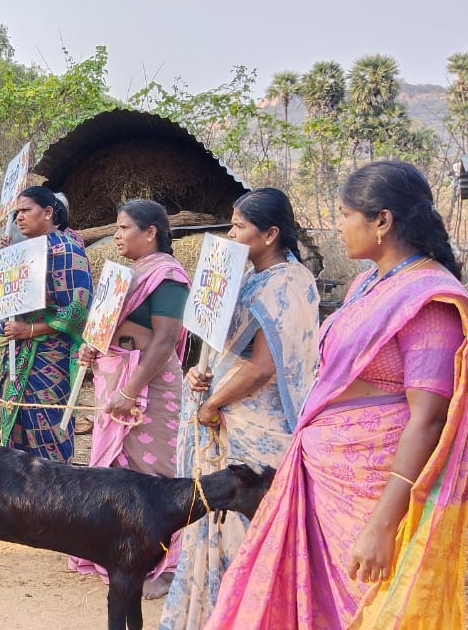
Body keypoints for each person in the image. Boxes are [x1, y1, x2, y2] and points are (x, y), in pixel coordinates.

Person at [206, 161, 468, 629]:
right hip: (323, 474)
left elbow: (428, 419)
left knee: (363, 609)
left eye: (344, 213)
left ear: (382, 221)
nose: (337, 223)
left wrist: (382, 525)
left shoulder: (431, 301)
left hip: (371, 490)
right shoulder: (369, 282)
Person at [159, 188, 320, 629]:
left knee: (245, 526)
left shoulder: (288, 282)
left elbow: (263, 368)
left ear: (269, 234)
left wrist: (212, 401)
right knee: (215, 520)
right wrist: (199, 376)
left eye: (239, 226)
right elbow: (228, 353)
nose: (230, 233)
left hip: (258, 426)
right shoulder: (248, 278)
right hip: (226, 413)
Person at [71, 198, 190, 597]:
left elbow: (164, 342)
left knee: (152, 474)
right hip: (115, 376)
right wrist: (93, 347)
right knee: (117, 471)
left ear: (151, 231)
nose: (116, 235)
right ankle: (121, 555)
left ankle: (161, 567)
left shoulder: (167, 276)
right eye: (116, 228)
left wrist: (130, 390)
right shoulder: (126, 275)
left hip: (147, 385)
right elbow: (107, 328)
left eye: (124, 228)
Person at [0, 186, 92, 463]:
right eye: (17, 213)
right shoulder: (21, 250)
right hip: (15, 355)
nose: (19, 218)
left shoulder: (67, 250)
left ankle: (52, 498)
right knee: (15, 429)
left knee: (47, 428)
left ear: (48, 212)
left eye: (26, 210)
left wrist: (30, 330)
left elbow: (77, 310)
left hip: (49, 357)